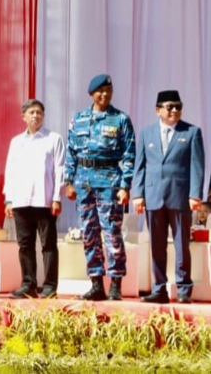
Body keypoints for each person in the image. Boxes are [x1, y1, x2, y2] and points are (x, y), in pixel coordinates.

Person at [65, 74, 135, 301]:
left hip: (109, 182)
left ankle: (115, 284)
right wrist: (68, 181)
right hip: (83, 183)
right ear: (91, 94)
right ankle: (96, 283)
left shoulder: (120, 119)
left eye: (108, 90)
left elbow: (129, 155)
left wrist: (125, 186)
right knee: (89, 233)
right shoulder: (79, 119)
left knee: (112, 233)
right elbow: (71, 152)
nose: (104, 94)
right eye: (100, 91)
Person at [132, 90, 204, 304]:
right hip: (153, 196)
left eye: (178, 106)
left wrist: (195, 194)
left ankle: (183, 289)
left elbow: (197, 166)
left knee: (181, 244)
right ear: (158, 110)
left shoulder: (191, 132)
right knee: (156, 245)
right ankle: (159, 289)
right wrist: (138, 194)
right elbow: (140, 166)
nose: (174, 110)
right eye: (170, 106)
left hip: (180, 196)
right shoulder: (146, 133)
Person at [3, 99, 65, 299]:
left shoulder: (53, 139)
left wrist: (57, 198)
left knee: (48, 245)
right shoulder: (16, 142)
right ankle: (28, 284)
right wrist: (9, 199)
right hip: (21, 201)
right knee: (25, 245)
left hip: (44, 200)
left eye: (39, 112)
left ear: (43, 116)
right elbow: (10, 170)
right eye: (31, 112)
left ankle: (50, 286)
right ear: (23, 117)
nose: (35, 116)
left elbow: (59, 169)